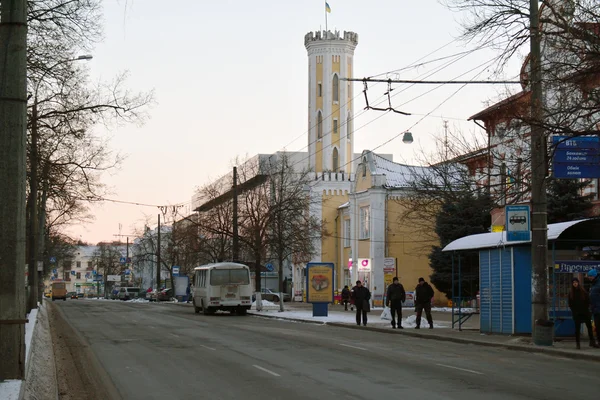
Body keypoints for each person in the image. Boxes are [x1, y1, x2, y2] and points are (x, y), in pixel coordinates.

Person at [568, 277, 598, 349]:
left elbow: (588, 301)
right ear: (572, 284)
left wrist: (587, 309)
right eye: (573, 282)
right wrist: (574, 311)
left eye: (576, 282)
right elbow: (570, 304)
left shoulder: (583, 291)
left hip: (585, 312)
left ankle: (592, 342)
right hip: (577, 313)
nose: (575, 283)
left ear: (578, 283)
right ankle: (578, 344)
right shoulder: (571, 293)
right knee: (577, 329)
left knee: (589, 327)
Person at [588, 269, 600, 348]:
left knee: (599, 326)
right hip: (595, 309)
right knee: (597, 326)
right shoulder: (594, 284)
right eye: (589, 276)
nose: (589, 278)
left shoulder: (598, 284)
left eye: (590, 276)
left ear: (594, 276)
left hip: (599, 309)